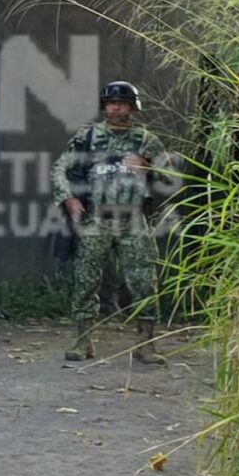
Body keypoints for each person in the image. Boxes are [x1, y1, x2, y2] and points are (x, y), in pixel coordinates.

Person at [49, 80, 172, 365]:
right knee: (86, 281)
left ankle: (146, 345)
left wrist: (149, 167)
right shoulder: (88, 137)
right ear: (104, 106)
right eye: (111, 103)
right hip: (96, 219)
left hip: (133, 220)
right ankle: (84, 342)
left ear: (132, 107)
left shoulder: (146, 140)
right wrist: (68, 199)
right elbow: (60, 168)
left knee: (144, 281)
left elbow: (170, 178)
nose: (116, 108)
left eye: (122, 103)